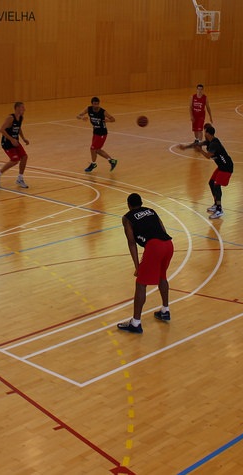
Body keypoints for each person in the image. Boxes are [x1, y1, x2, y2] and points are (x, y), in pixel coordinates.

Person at [117, 193, 174, 334]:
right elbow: (162, 229)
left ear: (128, 205)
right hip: (168, 244)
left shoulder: (127, 218)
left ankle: (135, 323)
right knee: (162, 276)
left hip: (154, 246)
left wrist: (137, 267)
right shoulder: (151, 211)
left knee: (141, 283)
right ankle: (165, 310)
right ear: (142, 203)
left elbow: (131, 243)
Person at [190, 123, 234, 219]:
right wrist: (186, 147)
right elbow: (198, 144)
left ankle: (219, 210)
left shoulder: (214, 144)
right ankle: (215, 204)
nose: (204, 134)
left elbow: (208, 156)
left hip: (226, 167)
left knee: (217, 185)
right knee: (211, 182)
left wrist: (200, 150)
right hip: (221, 166)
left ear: (208, 134)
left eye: (205, 132)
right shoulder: (208, 141)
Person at [0, 101, 30, 189]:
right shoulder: (10, 118)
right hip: (7, 142)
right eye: (22, 107)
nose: (24, 109)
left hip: (15, 141)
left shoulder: (21, 117)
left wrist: (23, 138)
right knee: (15, 160)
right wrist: (12, 139)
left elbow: (18, 128)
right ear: (17, 108)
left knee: (24, 157)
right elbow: (1, 130)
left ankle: (20, 178)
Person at [76, 97, 117, 173]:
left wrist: (108, 120)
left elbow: (113, 119)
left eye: (97, 104)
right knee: (97, 150)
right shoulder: (89, 109)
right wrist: (82, 117)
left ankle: (93, 164)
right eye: (94, 104)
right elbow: (77, 116)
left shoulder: (102, 111)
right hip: (95, 132)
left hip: (102, 133)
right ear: (92, 104)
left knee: (92, 149)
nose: (96, 105)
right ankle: (112, 161)